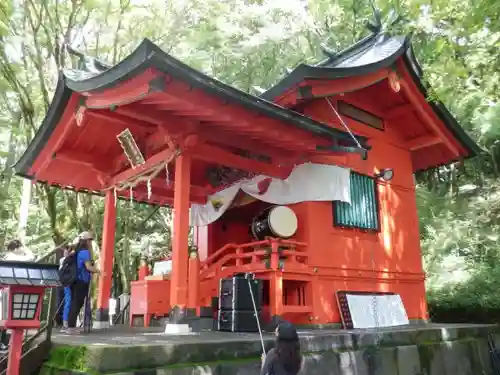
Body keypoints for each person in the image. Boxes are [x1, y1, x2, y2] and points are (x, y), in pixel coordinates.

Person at [66, 231, 99, 334]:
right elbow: (88, 267)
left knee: (74, 302)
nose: (91, 242)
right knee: (77, 303)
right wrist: (99, 271)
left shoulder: (77, 251)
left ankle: (70, 326)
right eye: (90, 240)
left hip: (75, 280)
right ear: (86, 241)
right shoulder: (85, 252)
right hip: (81, 281)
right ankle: (71, 327)